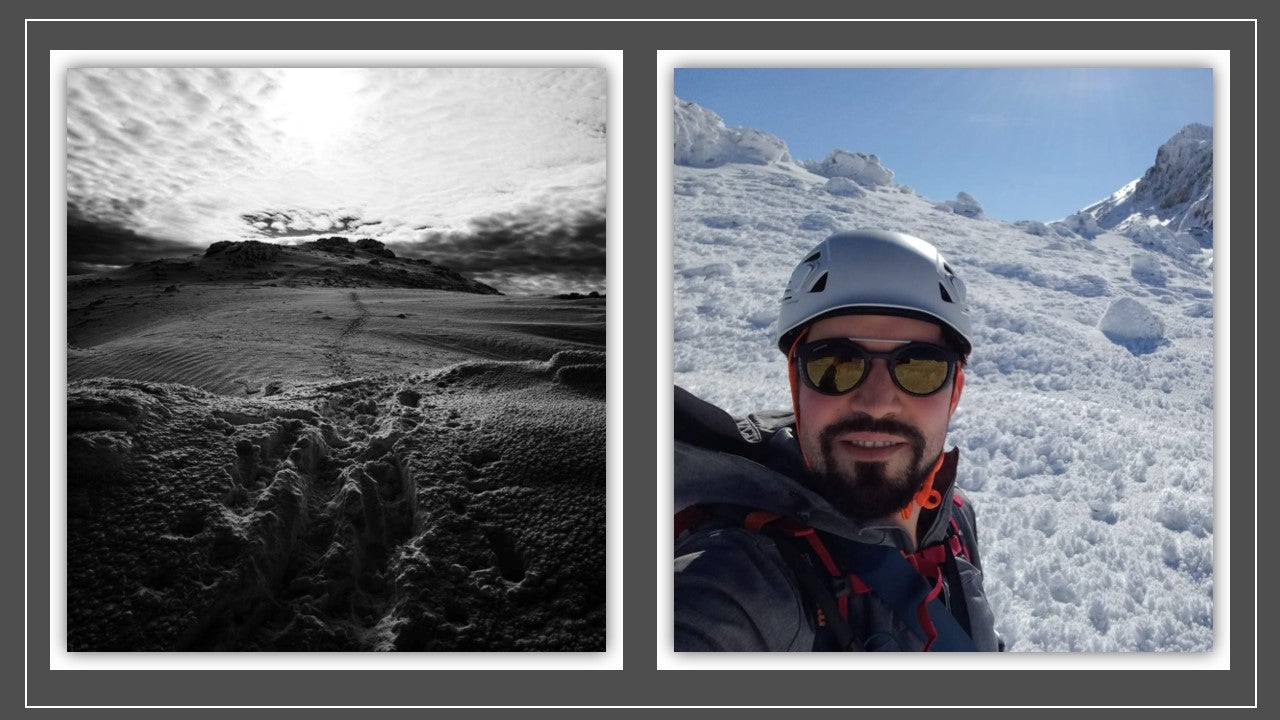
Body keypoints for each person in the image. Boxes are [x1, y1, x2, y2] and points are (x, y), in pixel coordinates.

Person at [674, 229, 1003, 652]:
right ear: (796, 382)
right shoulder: (737, 582)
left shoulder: (953, 518)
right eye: (837, 363)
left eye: (919, 367)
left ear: (954, 391)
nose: (877, 403)